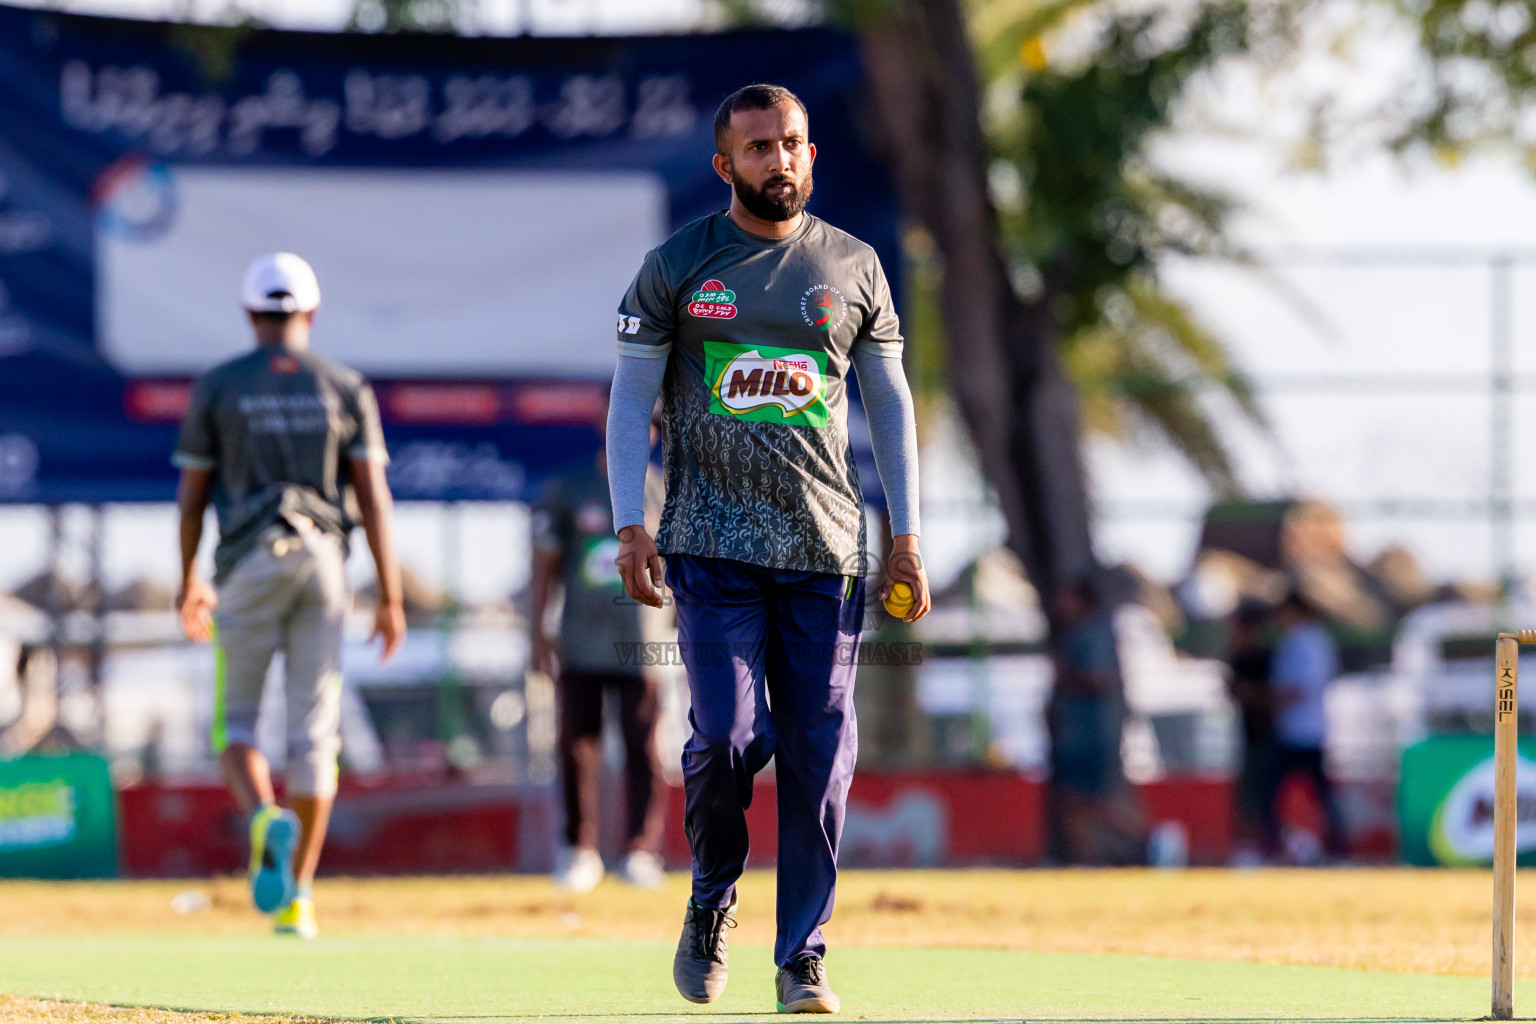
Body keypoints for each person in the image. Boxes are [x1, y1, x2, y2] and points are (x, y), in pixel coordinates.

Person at [606, 83, 928, 1014]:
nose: (777, 160)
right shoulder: (677, 266)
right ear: (725, 165)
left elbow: (890, 402)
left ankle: (803, 957)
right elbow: (630, 403)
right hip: (709, 549)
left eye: (790, 143)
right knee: (726, 739)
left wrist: (907, 535)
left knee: (821, 759)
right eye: (757, 147)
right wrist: (630, 523)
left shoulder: (856, 266)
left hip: (827, 553)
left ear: (810, 153)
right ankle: (712, 898)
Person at [174, 252, 404, 939]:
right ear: (311, 311)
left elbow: (192, 496)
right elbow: (373, 497)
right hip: (325, 563)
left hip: (248, 562)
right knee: (314, 737)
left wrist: (188, 577)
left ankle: (261, 818)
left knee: (237, 726)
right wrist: (390, 596)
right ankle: (298, 899)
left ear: (250, 313)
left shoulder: (218, 386)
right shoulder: (345, 385)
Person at [531, 414, 670, 892]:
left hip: (643, 644)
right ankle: (579, 850)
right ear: (604, 423)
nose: (641, 431)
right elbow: (545, 564)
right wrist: (537, 633)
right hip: (580, 642)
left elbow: (683, 568)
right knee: (576, 747)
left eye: (650, 423)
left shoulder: (666, 489)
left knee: (644, 748)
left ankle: (641, 851)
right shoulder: (570, 487)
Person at [1045, 579, 1142, 865]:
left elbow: (1099, 678)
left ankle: (1155, 837)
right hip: (1077, 733)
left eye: (1067, 598)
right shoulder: (1076, 634)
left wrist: (1066, 678)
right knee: (1077, 803)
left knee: (1089, 801)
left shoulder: (1091, 634)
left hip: (1089, 735)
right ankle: (1086, 862)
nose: (1061, 605)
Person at [1264, 588, 1346, 861]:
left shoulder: (1309, 641)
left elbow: (1305, 686)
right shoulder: (1299, 640)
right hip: (1295, 729)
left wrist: (1267, 697)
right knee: (1294, 791)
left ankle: (1336, 843)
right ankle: (1332, 842)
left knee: (1303, 791)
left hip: (1305, 731)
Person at [1226, 601, 1277, 861]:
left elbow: (1275, 695)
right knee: (1247, 795)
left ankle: (1266, 847)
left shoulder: (1267, 657)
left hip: (1267, 736)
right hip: (1248, 736)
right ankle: (1251, 847)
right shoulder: (1239, 658)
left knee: (1263, 795)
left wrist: (1252, 694)